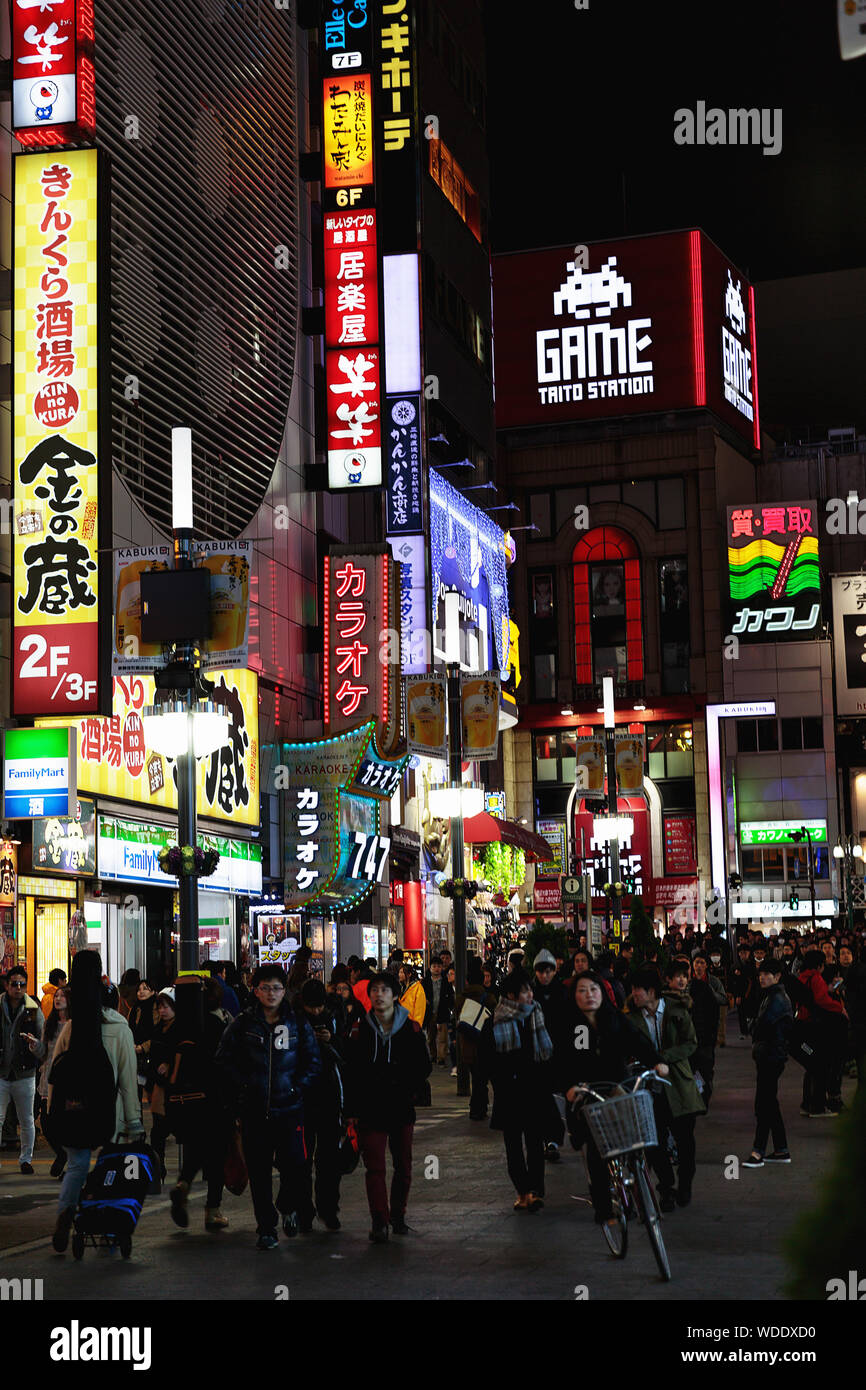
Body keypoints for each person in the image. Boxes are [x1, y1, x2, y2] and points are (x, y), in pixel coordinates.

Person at [214, 963, 321, 1249]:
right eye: (266, 988)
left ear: (284, 991)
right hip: (254, 1111)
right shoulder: (243, 1023)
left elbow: (313, 1061)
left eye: (277, 988)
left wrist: (297, 1087)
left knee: (296, 1166)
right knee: (259, 1172)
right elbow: (223, 1061)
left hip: (290, 1109)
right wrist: (242, 1089)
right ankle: (266, 1228)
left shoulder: (297, 1022)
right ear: (256, 990)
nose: (271, 993)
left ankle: (287, 1205)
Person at [47, 950, 142, 1252]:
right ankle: (105, 1221)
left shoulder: (71, 1027)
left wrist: (51, 1114)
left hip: (73, 1111)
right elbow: (127, 1081)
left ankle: (66, 1213)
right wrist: (134, 1122)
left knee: (76, 1165)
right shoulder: (120, 1029)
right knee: (107, 1163)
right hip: (107, 1114)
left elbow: (55, 1075)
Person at [558, 972, 666, 1227]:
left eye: (593, 989)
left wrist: (657, 1062)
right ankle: (605, 1211)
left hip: (618, 1085)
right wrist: (571, 1086)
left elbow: (636, 1040)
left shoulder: (614, 1017)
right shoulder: (574, 1026)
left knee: (641, 1132)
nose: (589, 995)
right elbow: (566, 1061)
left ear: (602, 992)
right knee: (598, 1150)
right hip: (589, 1092)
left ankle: (647, 1186)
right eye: (582, 990)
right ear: (574, 996)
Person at [344, 971, 431, 1242]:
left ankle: (399, 1215)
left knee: (403, 1166)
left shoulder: (411, 1028)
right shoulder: (360, 1029)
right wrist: (352, 1110)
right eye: (375, 990)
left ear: (395, 995)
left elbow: (424, 1066)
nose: (379, 995)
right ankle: (379, 1220)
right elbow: (352, 1071)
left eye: (384, 990)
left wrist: (409, 1088)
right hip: (371, 1109)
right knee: (375, 1168)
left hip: (402, 1107)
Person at [478, 969, 557, 1213]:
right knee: (513, 1147)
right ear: (512, 995)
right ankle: (522, 1191)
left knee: (534, 1145)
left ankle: (533, 1191)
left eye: (530, 990)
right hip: (509, 1093)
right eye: (526, 991)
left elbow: (547, 1054)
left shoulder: (537, 1015)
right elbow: (486, 1060)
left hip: (534, 1090)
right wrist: (499, 1080)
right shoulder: (495, 1022)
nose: (531, 995)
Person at [627, 965, 705, 1211]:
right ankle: (666, 1187)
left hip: (678, 1083)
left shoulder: (676, 1010)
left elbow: (691, 1043)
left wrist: (663, 1057)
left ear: (651, 991)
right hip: (650, 1088)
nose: (634, 994)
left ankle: (685, 1184)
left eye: (637, 990)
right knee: (655, 1143)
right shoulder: (632, 1017)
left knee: (685, 1142)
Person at [163, 976, 232, 1232]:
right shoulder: (216, 1024)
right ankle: (212, 1211)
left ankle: (182, 1184)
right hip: (213, 1101)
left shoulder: (177, 1027)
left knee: (194, 1149)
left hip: (181, 1102)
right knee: (216, 1156)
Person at [296, 977, 346, 1231]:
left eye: (319, 1007)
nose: (316, 1012)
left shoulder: (334, 1016)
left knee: (329, 1159)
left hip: (328, 1095)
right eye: (311, 1008)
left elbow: (345, 1053)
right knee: (301, 1160)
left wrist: (331, 1039)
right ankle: (304, 1212)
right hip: (302, 1098)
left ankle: (329, 1209)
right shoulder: (293, 1020)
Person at [742, 957, 794, 1167]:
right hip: (770, 1055)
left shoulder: (777, 999)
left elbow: (759, 1027)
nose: (762, 978)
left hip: (772, 1056)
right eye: (760, 974)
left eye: (767, 974)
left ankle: (758, 1151)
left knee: (764, 1104)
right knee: (769, 1103)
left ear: (777, 976)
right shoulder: (772, 995)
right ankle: (781, 1149)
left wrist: (753, 1025)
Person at [0, 966, 46, 1174]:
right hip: (1, 1071)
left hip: (25, 1072)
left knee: (26, 1118)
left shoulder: (33, 1009)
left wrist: (34, 1044)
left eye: (22, 984)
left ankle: (25, 1159)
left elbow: (42, 1046)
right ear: (7, 985)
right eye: (14, 984)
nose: (18, 988)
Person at [792, 949, 848, 1117]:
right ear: (819, 965)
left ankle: (807, 1104)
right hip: (813, 1028)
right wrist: (840, 1008)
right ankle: (817, 1106)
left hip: (801, 1028)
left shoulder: (802, 977)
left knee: (811, 1066)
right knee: (819, 1065)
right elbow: (821, 1000)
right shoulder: (815, 977)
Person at [530, 949, 567, 1161]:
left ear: (554, 971)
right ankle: (550, 1140)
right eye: (541, 971)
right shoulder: (530, 992)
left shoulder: (562, 992)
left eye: (548, 971)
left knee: (553, 1098)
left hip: (557, 1054)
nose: (544, 975)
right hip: (537, 1055)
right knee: (544, 1099)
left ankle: (553, 1138)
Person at [454, 955, 498, 1121]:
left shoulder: (460, 999)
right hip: (485, 1044)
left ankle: (477, 1107)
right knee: (483, 1078)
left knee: (477, 1077)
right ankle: (478, 1108)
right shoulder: (489, 998)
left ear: (467, 982)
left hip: (467, 1045)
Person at [146, 988, 179, 1180]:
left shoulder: (180, 1029)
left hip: (176, 1087)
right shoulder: (158, 1029)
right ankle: (159, 1168)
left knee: (166, 1129)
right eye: (160, 1007)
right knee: (158, 1131)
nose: (162, 1011)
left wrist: (169, 1065)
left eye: (166, 1007)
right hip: (160, 1086)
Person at [39, 984, 71, 1178]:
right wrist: (34, 1045)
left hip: (66, 1082)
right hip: (47, 1080)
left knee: (63, 1123)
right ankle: (62, 1153)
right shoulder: (48, 1024)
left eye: (62, 996)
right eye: (56, 996)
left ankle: (65, 1157)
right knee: (46, 1123)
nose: (58, 999)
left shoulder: (74, 1024)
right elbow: (42, 1053)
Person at [688, 954, 727, 1108]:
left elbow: (723, 999)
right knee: (693, 1067)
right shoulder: (688, 983)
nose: (698, 966)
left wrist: (710, 992)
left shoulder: (713, 982)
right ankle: (697, 1096)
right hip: (691, 1033)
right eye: (696, 962)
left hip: (707, 1032)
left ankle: (705, 1096)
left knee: (706, 1067)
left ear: (706, 965)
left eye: (702, 962)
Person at [422, 955, 453, 1066]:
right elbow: (421, 995)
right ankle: (433, 1055)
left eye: (439, 966)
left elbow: (450, 996)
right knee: (431, 1037)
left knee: (442, 1037)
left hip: (442, 1011)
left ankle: (441, 1057)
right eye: (434, 966)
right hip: (430, 1012)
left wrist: (450, 1007)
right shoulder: (425, 982)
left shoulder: (446, 982)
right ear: (430, 968)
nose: (436, 968)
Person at [731, 943, 758, 1038]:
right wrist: (737, 995)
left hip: (752, 991)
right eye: (741, 953)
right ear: (738, 954)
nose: (743, 955)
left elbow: (753, 977)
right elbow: (735, 982)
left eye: (745, 952)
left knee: (752, 1012)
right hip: (740, 992)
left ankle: (752, 1030)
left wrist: (742, 974)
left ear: (749, 953)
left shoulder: (753, 964)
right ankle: (744, 1032)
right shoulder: (735, 965)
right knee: (741, 1013)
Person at [397, 963, 427, 1027]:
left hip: (411, 1024)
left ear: (409, 974)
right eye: (399, 972)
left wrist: (417, 1025)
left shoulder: (418, 988)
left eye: (402, 972)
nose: (399, 975)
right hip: (401, 1023)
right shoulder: (401, 987)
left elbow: (419, 1009)